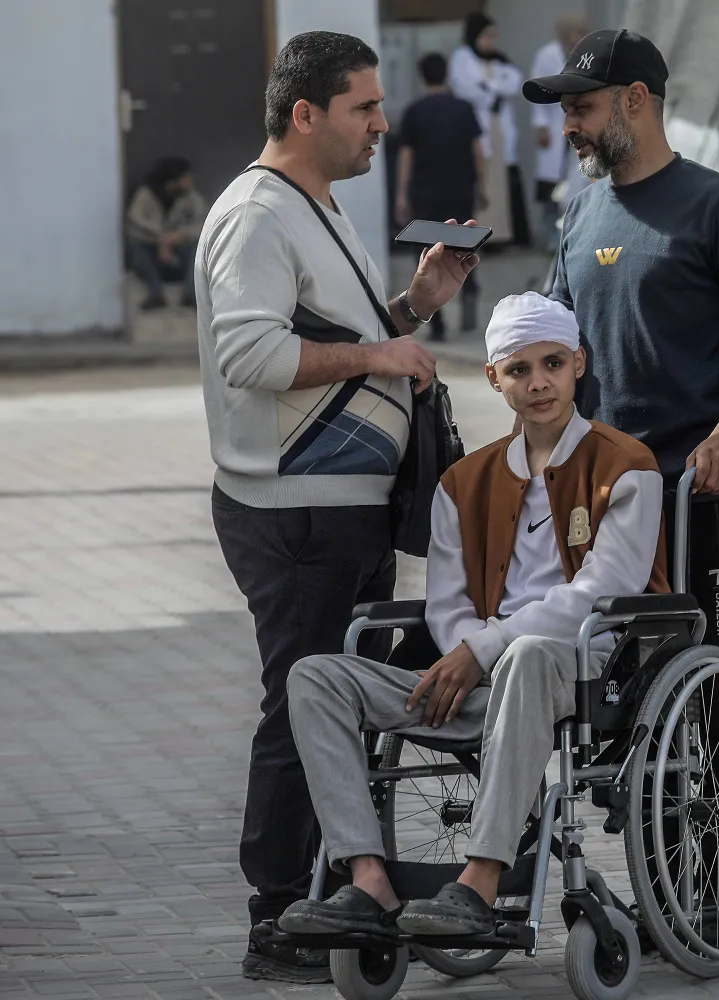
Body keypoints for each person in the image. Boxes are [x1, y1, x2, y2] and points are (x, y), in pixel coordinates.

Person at [195, 30, 477, 982]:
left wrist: (413, 307)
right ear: (305, 113)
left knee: (332, 705)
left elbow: (333, 342)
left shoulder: (313, 205)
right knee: (301, 707)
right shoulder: (256, 215)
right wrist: (380, 352)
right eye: (364, 107)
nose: (382, 124)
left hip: (337, 510)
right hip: (296, 513)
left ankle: (330, 897)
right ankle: (280, 918)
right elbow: (254, 355)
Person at [525, 28, 719, 942]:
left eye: (582, 106)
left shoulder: (718, 205)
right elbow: (556, 345)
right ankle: (657, 892)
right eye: (567, 109)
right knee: (625, 703)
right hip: (605, 509)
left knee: (714, 697)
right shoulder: (579, 216)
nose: (570, 125)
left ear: (636, 101)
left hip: (698, 501)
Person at [276, 292, 666, 938]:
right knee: (315, 677)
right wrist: (469, 655)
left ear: (579, 363)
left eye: (553, 363)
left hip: (585, 667)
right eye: (518, 370)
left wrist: (482, 649)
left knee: (527, 653)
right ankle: (368, 881)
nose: (537, 383)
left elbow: (605, 588)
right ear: (493, 378)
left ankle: (480, 881)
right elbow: (447, 600)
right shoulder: (463, 482)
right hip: (478, 676)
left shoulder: (626, 465)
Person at [396, 52, 485, 339]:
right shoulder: (464, 109)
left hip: (425, 192)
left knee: (426, 253)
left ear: (422, 77)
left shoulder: (414, 112)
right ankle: (469, 287)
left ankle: (437, 324)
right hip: (460, 188)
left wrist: (402, 194)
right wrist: (482, 186)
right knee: (464, 244)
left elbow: (406, 156)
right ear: (446, 74)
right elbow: (477, 150)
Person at [450, 12, 529, 247]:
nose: (491, 41)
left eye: (494, 36)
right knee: (481, 180)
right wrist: (491, 93)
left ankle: (500, 236)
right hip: (477, 126)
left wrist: (490, 86)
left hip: (498, 128)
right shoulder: (462, 57)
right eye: (486, 36)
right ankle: (478, 235)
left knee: (500, 182)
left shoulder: (499, 59)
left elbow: (514, 82)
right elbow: (465, 88)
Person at [531, 14, 591, 253]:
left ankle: (568, 236)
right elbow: (537, 90)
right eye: (575, 32)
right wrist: (541, 125)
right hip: (554, 128)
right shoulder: (547, 55)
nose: (578, 37)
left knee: (574, 182)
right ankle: (549, 237)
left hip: (576, 127)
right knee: (550, 188)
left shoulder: (586, 55)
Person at [126, 156, 205, 310]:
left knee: (198, 249)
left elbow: (204, 223)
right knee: (135, 246)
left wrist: (179, 235)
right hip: (152, 255)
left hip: (178, 254)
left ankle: (190, 295)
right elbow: (134, 220)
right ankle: (155, 294)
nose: (190, 180)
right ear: (172, 180)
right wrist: (161, 237)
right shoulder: (146, 195)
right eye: (185, 177)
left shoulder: (190, 197)